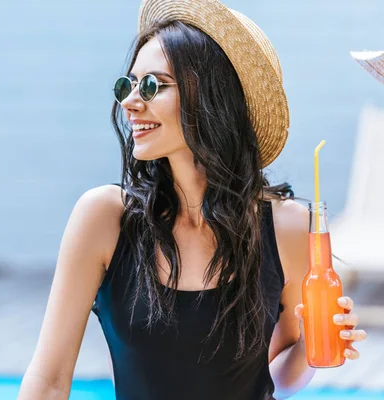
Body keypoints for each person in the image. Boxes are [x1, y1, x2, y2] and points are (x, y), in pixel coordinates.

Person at [18, 0, 367, 399]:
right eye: (127, 85)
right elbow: (48, 381)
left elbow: (279, 377)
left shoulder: (287, 226)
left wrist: (312, 346)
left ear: (211, 96)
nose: (131, 102)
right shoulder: (103, 218)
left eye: (152, 85)